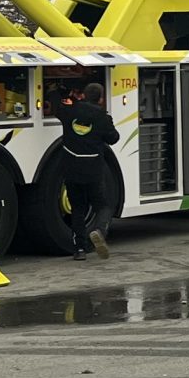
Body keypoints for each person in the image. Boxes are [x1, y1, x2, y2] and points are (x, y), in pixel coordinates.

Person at [50, 83, 118, 259]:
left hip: (72, 168)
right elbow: (114, 138)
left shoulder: (69, 111)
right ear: (101, 99)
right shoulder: (103, 117)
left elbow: (56, 106)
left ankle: (79, 250)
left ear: (83, 96)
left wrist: (56, 90)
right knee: (103, 206)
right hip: (93, 169)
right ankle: (98, 231)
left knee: (78, 209)